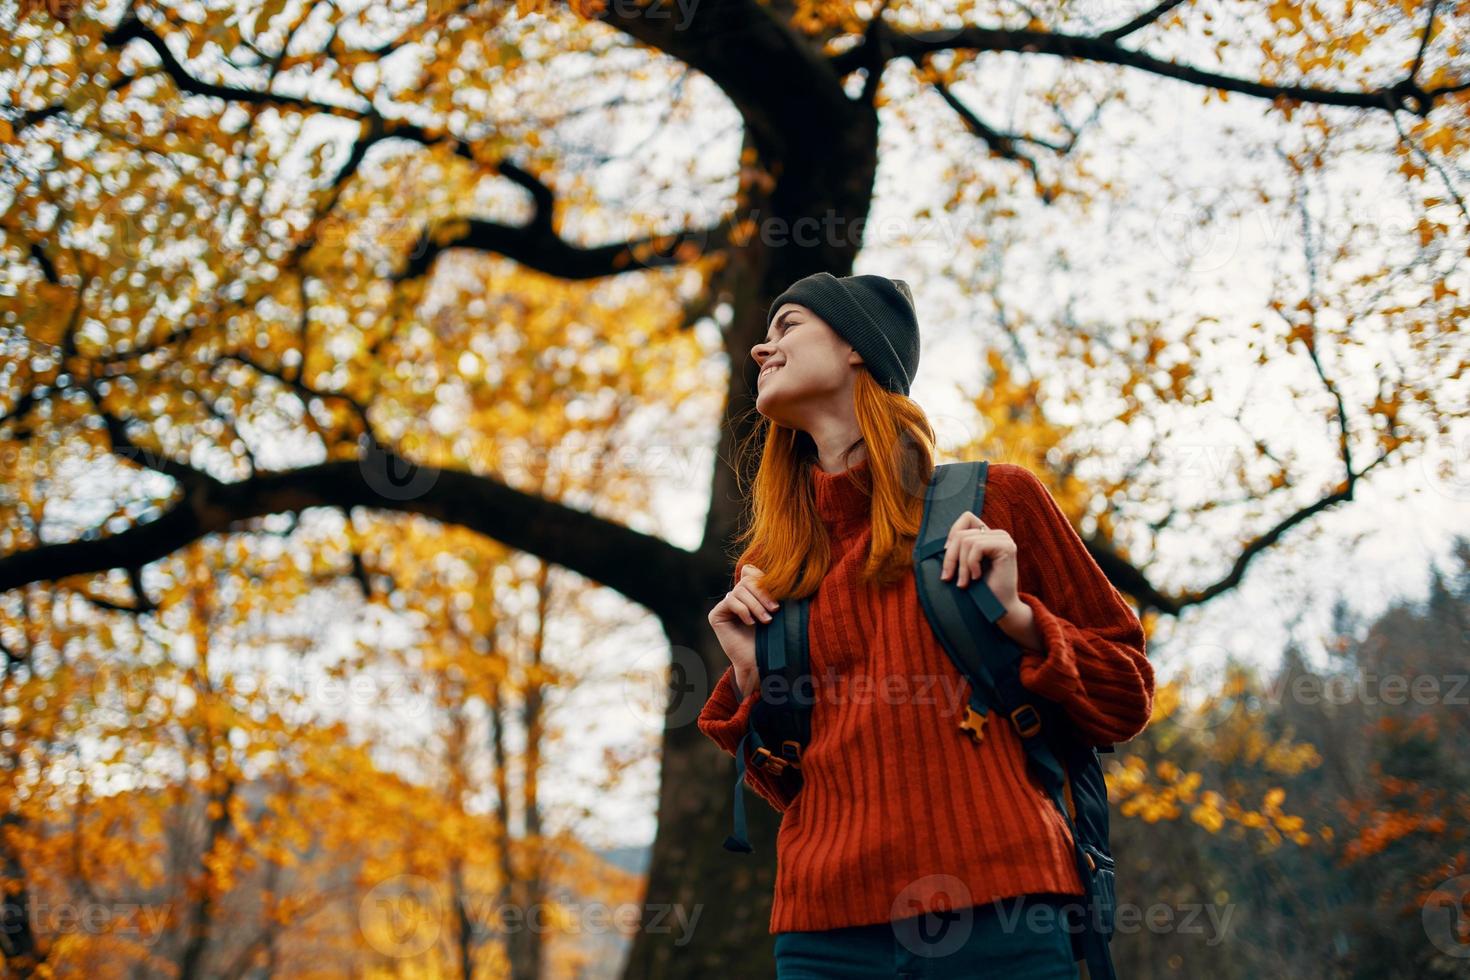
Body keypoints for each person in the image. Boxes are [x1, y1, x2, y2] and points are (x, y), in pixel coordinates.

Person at [698, 271, 1155, 979]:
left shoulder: (998, 500)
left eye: (786, 326)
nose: (762, 350)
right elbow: (792, 788)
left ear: (857, 348)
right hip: (825, 939)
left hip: (1003, 914)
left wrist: (1018, 619)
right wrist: (753, 679)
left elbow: (1126, 697)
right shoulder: (771, 568)